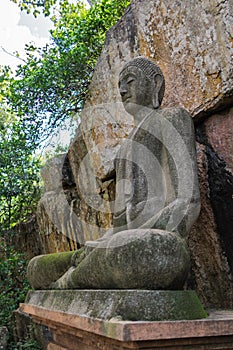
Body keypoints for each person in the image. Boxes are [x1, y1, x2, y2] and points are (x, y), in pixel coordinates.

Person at [27, 57, 200, 290]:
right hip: (120, 246)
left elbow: (188, 202)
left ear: (155, 84)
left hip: (153, 244)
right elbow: (119, 224)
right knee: (36, 268)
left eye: (130, 81)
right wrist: (102, 242)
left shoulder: (171, 119)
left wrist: (136, 236)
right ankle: (80, 270)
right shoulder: (123, 152)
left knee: (153, 252)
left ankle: (72, 280)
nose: (122, 90)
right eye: (120, 84)